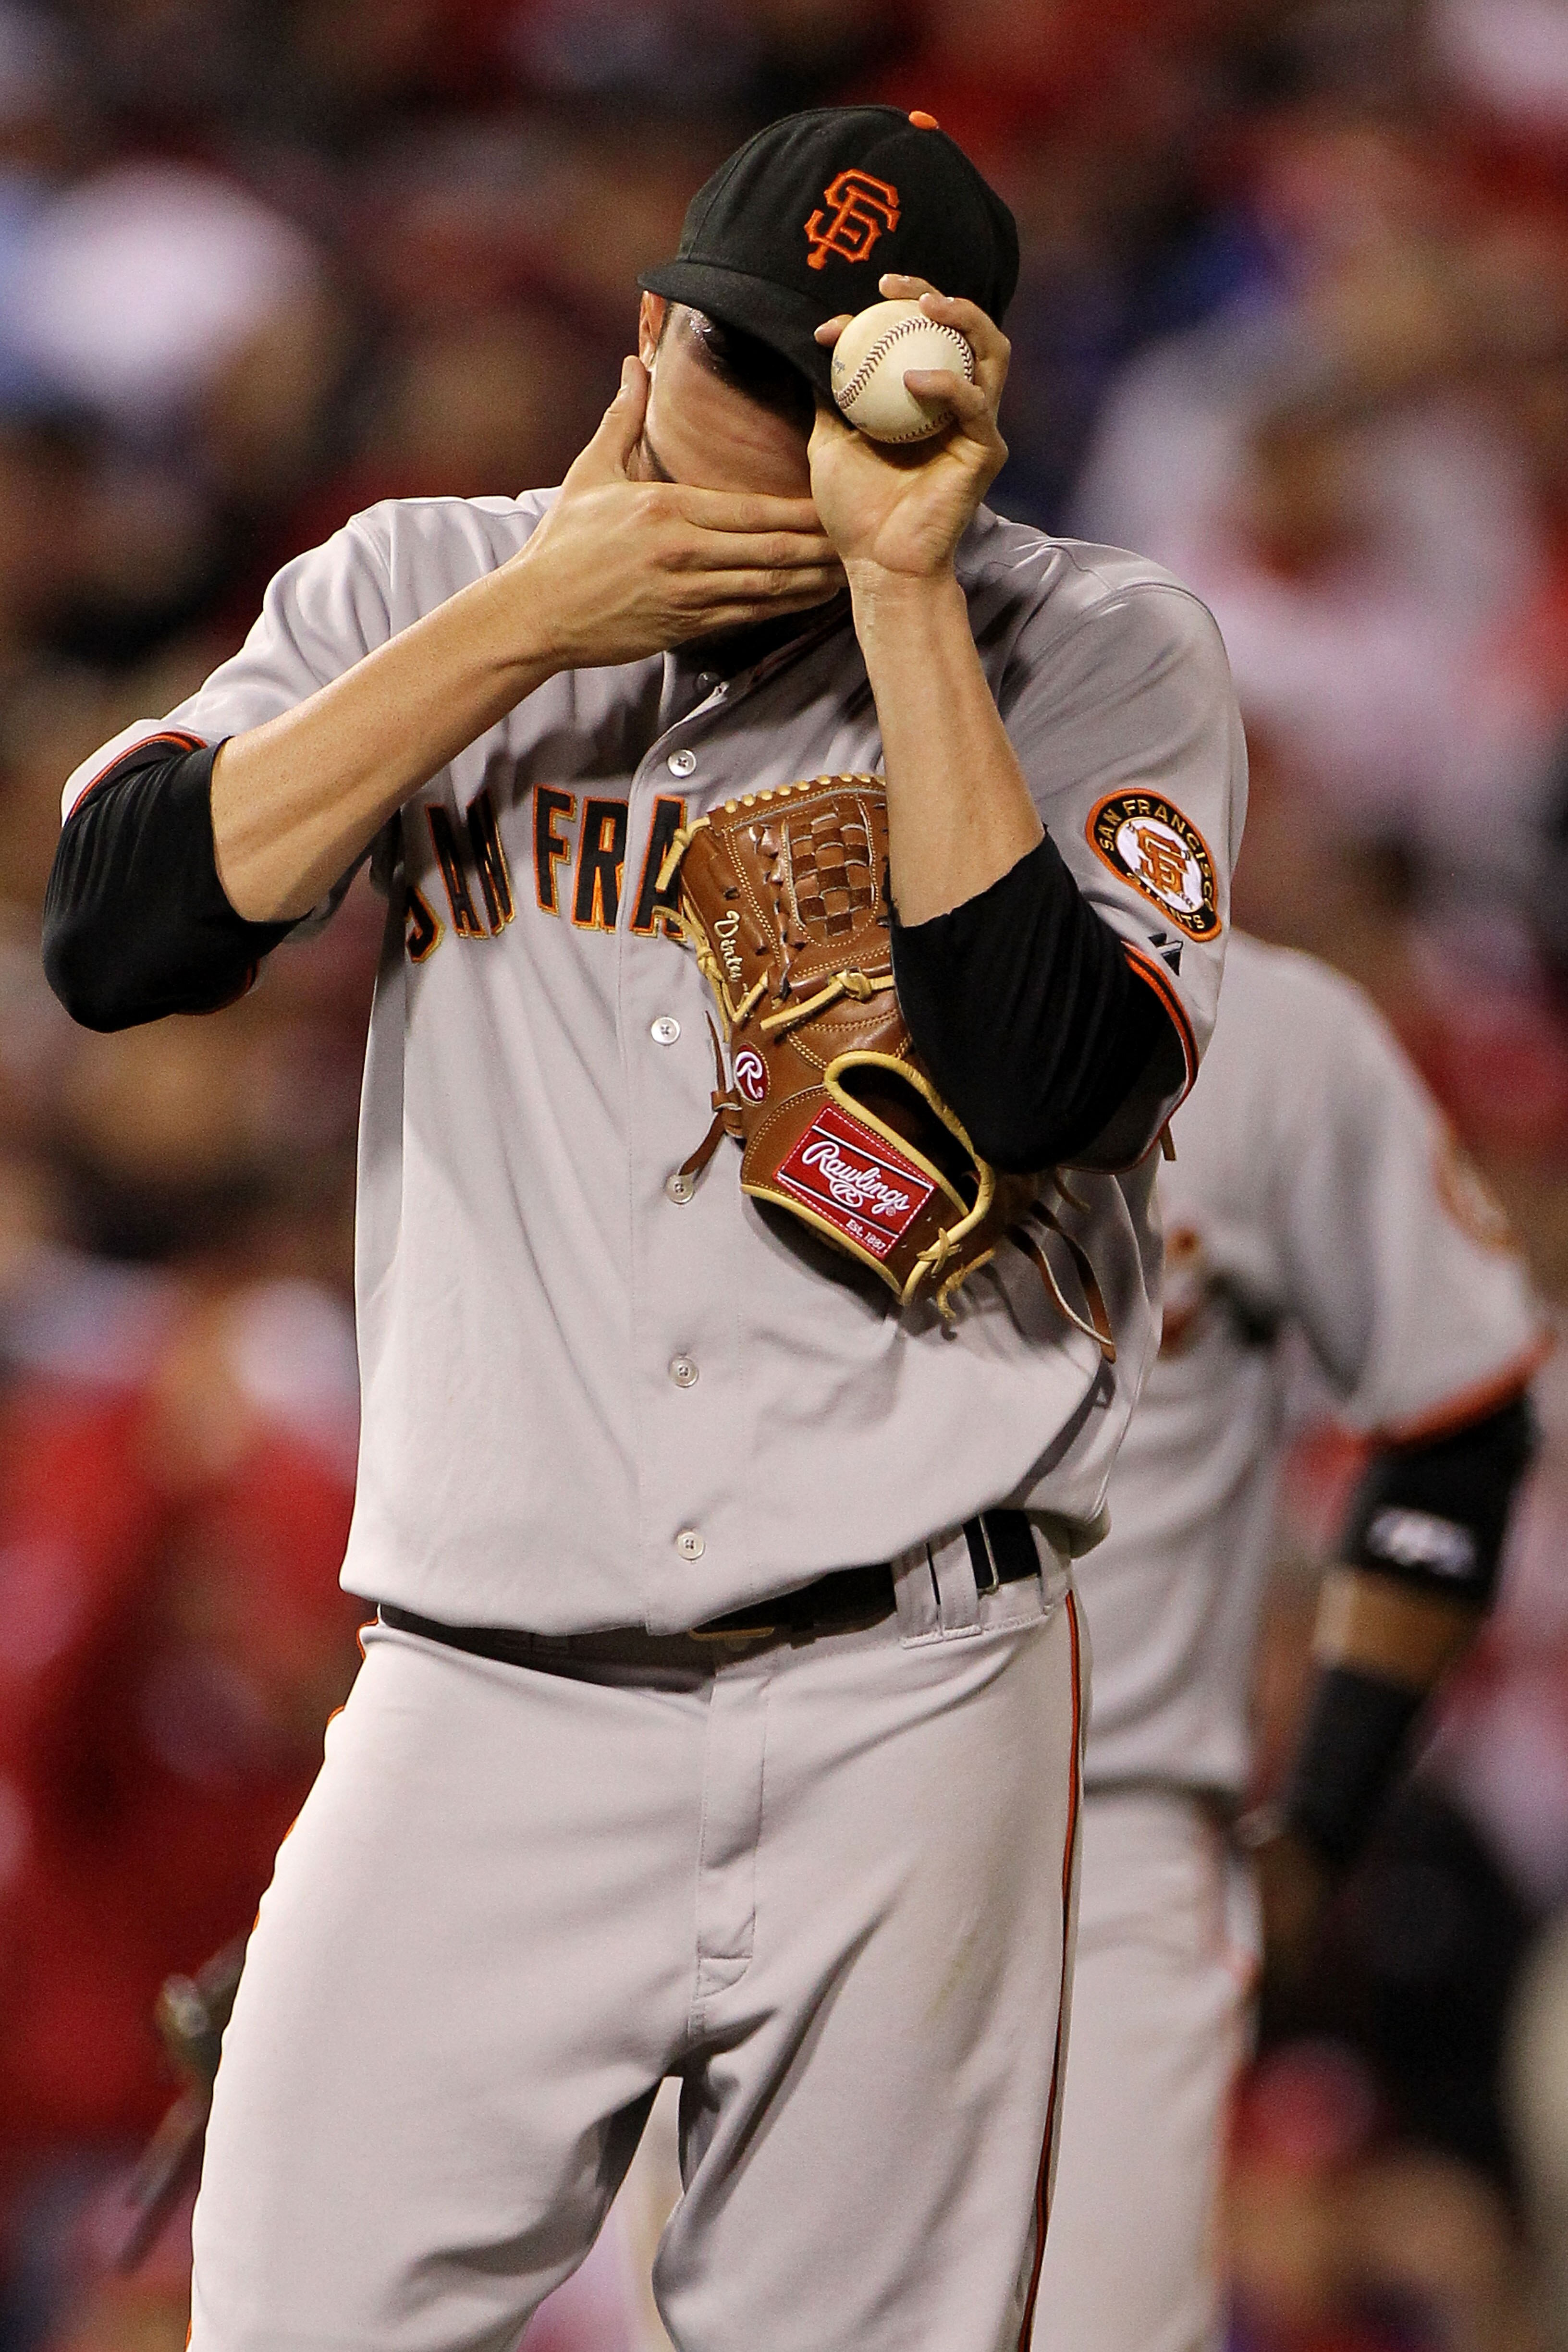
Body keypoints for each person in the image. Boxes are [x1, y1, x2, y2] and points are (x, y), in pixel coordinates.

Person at [41, 107, 1244, 2352]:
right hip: (482, 1693)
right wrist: (529, 623)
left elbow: (1052, 1085)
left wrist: (902, 598)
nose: (795, 445)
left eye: (862, 384)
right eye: (752, 373)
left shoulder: (1092, 646)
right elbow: (122, 939)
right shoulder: (421, 584)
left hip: (919, 1691)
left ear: (973, 398)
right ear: (651, 329)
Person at [1033, 930, 1544, 2352]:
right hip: (740, 1788)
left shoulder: (1269, 1038)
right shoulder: (695, 965)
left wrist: (1319, 1822)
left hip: (1107, 1839)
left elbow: (1461, 1423)